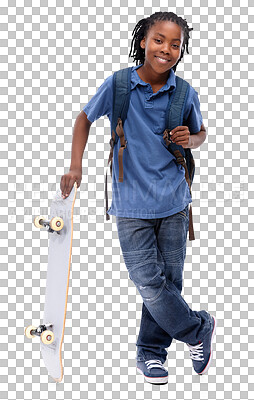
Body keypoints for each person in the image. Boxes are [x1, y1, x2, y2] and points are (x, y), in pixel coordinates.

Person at [60, 11, 217, 385]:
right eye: (159, 40)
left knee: (167, 283)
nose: (166, 49)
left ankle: (151, 354)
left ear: (182, 49)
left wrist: (189, 139)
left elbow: (201, 134)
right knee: (148, 281)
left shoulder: (184, 93)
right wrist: (75, 165)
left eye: (175, 44)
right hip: (130, 202)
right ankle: (198, 328)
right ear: (143, 41)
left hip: (175, 201)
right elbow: (84, 118)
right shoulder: (118, 85)